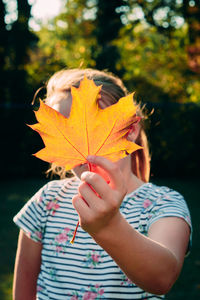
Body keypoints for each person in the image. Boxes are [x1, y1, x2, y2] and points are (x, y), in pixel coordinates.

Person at [13, 68, 192, 300]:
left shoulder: (163, 204)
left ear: (130, 131)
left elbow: (162, 278)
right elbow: (24, 285)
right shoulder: (47, 201)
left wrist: (109, 227)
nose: (83, 149)